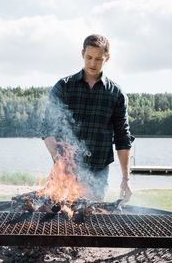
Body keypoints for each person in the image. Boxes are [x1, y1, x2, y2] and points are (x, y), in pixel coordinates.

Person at [42, 34, 134, 202]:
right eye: (89, 57)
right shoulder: (63, 86)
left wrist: (125, 179)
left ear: (108, 57)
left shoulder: (116, 94)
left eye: (99, 59)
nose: (93, 63)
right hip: (65, 171)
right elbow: (47, 128)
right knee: (60, 221)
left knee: (91, 221)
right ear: (82, 53)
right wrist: (60, 162)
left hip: (98, 173)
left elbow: (123, 137)